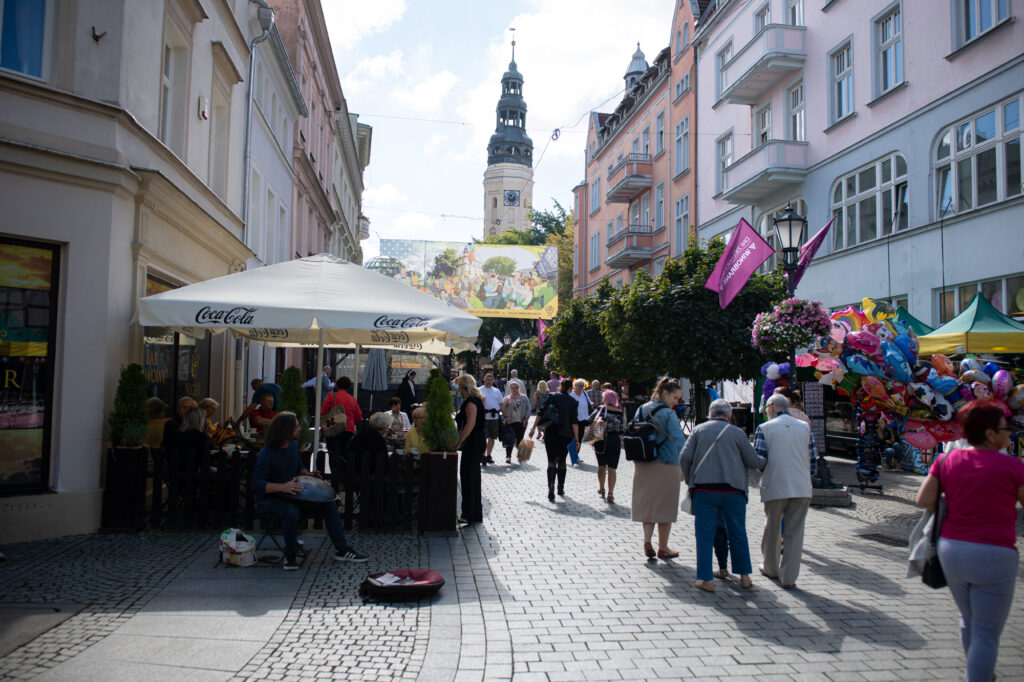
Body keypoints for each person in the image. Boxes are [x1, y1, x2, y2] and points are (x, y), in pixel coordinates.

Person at [915, 401, 1024, 681]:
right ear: (990, 433)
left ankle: (978, 670)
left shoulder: (946, 460)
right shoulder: (1014, 466)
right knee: (988, 634)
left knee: (969, 620)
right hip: (995, 553)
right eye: (1006, 428)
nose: (1010, 434)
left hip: (952, 550)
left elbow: (924, 500)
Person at [251, 412, 367, 570]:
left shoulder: (292, 446)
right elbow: (257, 483)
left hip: (292, 495)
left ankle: (342, 549)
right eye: (296, 425)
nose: (299, 428)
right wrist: (282, 486)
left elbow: (298, 467)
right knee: (292, 512)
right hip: (271, 499)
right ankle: (290, 556)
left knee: (329, 503)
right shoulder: (267, 453)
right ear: (286, 429)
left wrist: (308, 474)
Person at [680, 399, 766, 592]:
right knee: (738, 532)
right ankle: (744, 576)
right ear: (729, 416)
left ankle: (705, 579)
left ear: (710, 414)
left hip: (704, 490)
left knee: (704, 534)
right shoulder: (737, 433)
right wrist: (768, 460)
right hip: (733, 491)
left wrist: (688, 479)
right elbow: (753, 461)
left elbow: (685, 457)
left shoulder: (698, 430)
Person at [755, 393, 817, 589]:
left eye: (766, 408)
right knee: (795, 532)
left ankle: (770, 567)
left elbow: (760, 460)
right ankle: (789, 577)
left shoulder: (764, 428)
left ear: (772, 406)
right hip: (801, 486)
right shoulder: (805, 428)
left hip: (775, 485)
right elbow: (813, 460)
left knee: (772, 528)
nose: (766, 411)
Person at [631, 377, 688, 560]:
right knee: (665, 506)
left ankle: (647, 540)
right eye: (675, 397)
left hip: (644, 462)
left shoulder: (642, 408)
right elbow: (679, 440)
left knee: (648, 504)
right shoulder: (669, 414)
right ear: (665, 393)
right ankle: (663, 547)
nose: (676, 402)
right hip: (667, 463)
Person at [528, 378, 579, 501]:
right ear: (570, 388)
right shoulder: (573, 401)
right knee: (562, 460)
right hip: (565, 434)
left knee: (551, 461)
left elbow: (540, 412)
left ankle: (551, 486)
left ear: (560, 386)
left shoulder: (551, 396)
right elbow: (574, 422)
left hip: (550, 431)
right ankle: (560, 488)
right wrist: (577, 439)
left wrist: (533, 428)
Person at [320, 376, 362, 489]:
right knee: (344, 456)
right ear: (349, 387)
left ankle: (334, 483)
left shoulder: (331, 396)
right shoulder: (352, 399)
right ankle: (345, 482)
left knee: (333, 456)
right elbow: (358, 417)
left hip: (333, 430)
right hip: (348, 431)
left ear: (337, 385)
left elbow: (323, 412)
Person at [455, 375, 486, 525]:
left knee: (469, 476)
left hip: (473, 442)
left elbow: (470, 424)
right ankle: (473, 513)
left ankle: (469, 513)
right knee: (470, 476)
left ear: (463, 387)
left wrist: (460, 442)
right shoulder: (475, 400)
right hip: (476, 441)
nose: (458, 390)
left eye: (459, 387)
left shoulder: (470, 402)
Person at [594, 388, 623, 503]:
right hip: (615, 440)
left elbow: (589, 420)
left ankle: (602, 489)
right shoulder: (620, 411)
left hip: (602, 439)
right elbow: (622, 430)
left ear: (605, 398)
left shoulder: (601, 409)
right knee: (612, 468)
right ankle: (611, 493)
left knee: (601, 465)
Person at [501, 381, 531, 463]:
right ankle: (508, 456)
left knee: (520, 439)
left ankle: (521, 456)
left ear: (519, 388)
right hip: (510, 421)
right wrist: (506, 404)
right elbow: (503, 408)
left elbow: (528, 408)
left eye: (516, 387)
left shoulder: (523, 397)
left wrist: (527, 418)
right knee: (510, 439)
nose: (514, 389)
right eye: (512, 388)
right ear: (510, 389)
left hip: (521, 421)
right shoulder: (507, 398)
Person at [479, 373, 504, 465]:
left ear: (493, 381)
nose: (489, 381)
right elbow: (475, 404)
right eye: (487, 379)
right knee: (483, 438)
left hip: (495, 417)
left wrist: (505, 415)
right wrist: (480, 401)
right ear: (484, 380)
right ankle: (482, 455)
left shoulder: (497, 391)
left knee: (492, 437)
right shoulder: (479, 390)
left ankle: (488, 455)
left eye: (491, 380)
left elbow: (501, 404)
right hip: (483, 418)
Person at [569, 379, 595, 459]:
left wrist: (592, 405)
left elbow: (590, 403)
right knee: (572, 437)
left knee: (580, 437)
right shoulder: (571, 394)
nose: (580, 387)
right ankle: (570, 453)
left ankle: (576, 455)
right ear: (575, 386)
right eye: (579, 385)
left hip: (583, 419)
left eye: (582, 386)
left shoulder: (584, 393)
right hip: (573, 419)